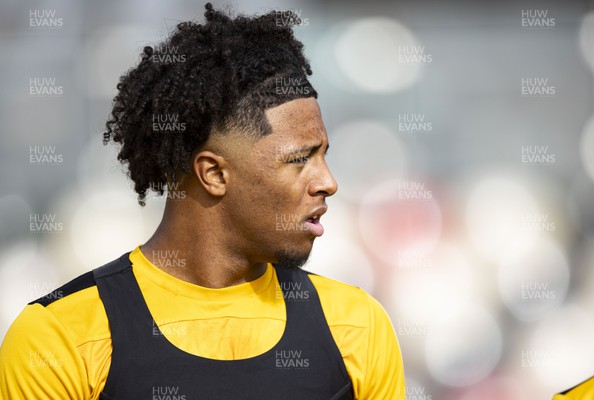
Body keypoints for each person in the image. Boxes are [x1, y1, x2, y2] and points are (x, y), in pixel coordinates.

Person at [0, 3, 405, 399]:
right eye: (300, 160)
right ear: (213, 174)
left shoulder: (356, 327)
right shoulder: (58, 339)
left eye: (324, 156)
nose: (329, 183)